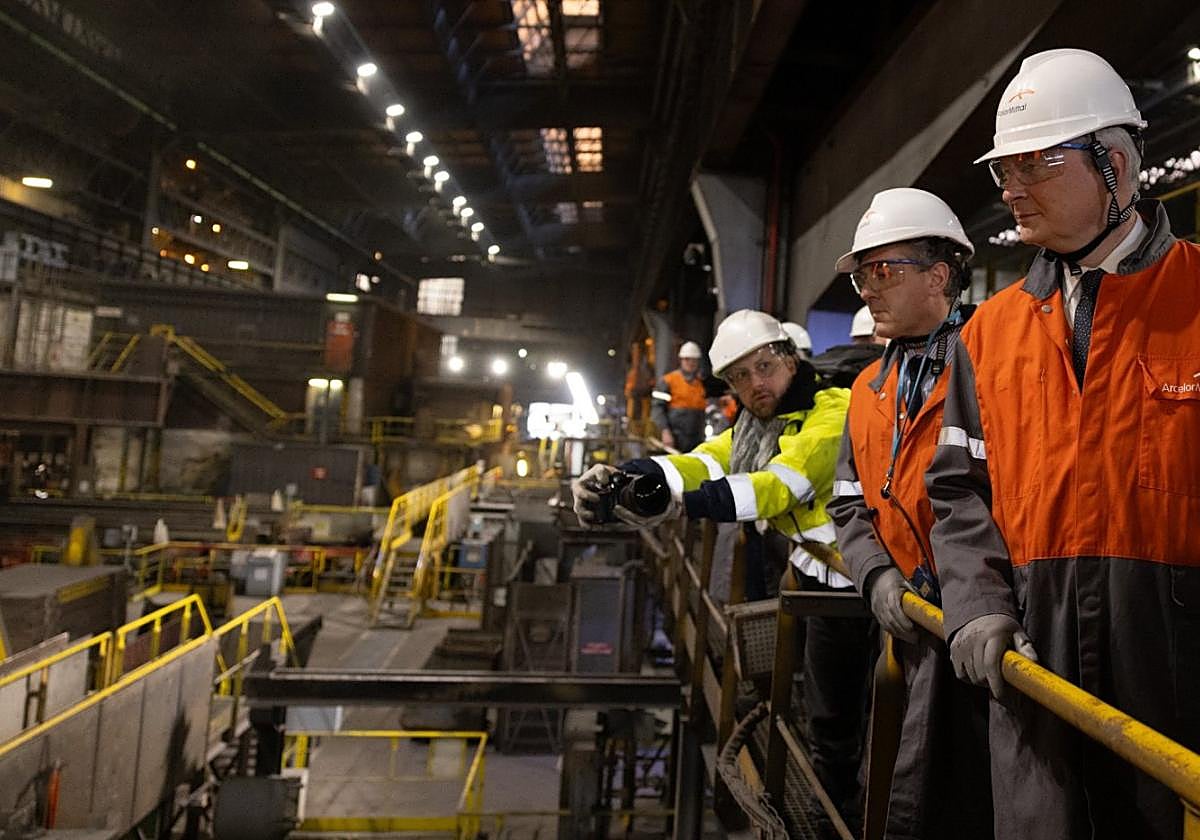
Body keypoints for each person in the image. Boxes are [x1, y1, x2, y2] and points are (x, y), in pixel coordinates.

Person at [925, 48, 1200, 840]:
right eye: (1002, 170)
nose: (1009, 188)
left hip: (1175, 669)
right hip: (1036, 665)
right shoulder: (989, 331)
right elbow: (957, 488)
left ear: (1113, 165)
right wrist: (976, 606)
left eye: (1032, 165)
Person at [572, 310, 860, 810]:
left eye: (764, 367)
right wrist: (628, 475)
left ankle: (849, 810)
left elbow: (777, 487)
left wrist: (680, 502)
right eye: (740, 377)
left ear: (791, 359)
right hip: (819, 578)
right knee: (826, 706)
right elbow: (706, 459)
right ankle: (834, 795)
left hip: (862, 586)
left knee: (852, 708)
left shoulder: (834, 412)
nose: (755, 384)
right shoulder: (758, 424)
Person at [827, 187, 992, 838]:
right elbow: (846, 501)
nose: (867, 288)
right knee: (895, 787)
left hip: (981, 638)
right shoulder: (869, 389)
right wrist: (876, 576)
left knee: (969, 802)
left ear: (940, 275)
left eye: (882, 270)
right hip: (906, 628)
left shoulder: (994, 362)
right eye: (862, 274)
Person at [651, 341, 707, 451]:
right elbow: (657, 408)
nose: (691, 363)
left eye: (694, 360)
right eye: (687, 359)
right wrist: (665, 431)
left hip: (696, 440)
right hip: (674, 439)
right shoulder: (668, 381)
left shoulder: (701, 383)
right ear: (681, 360)